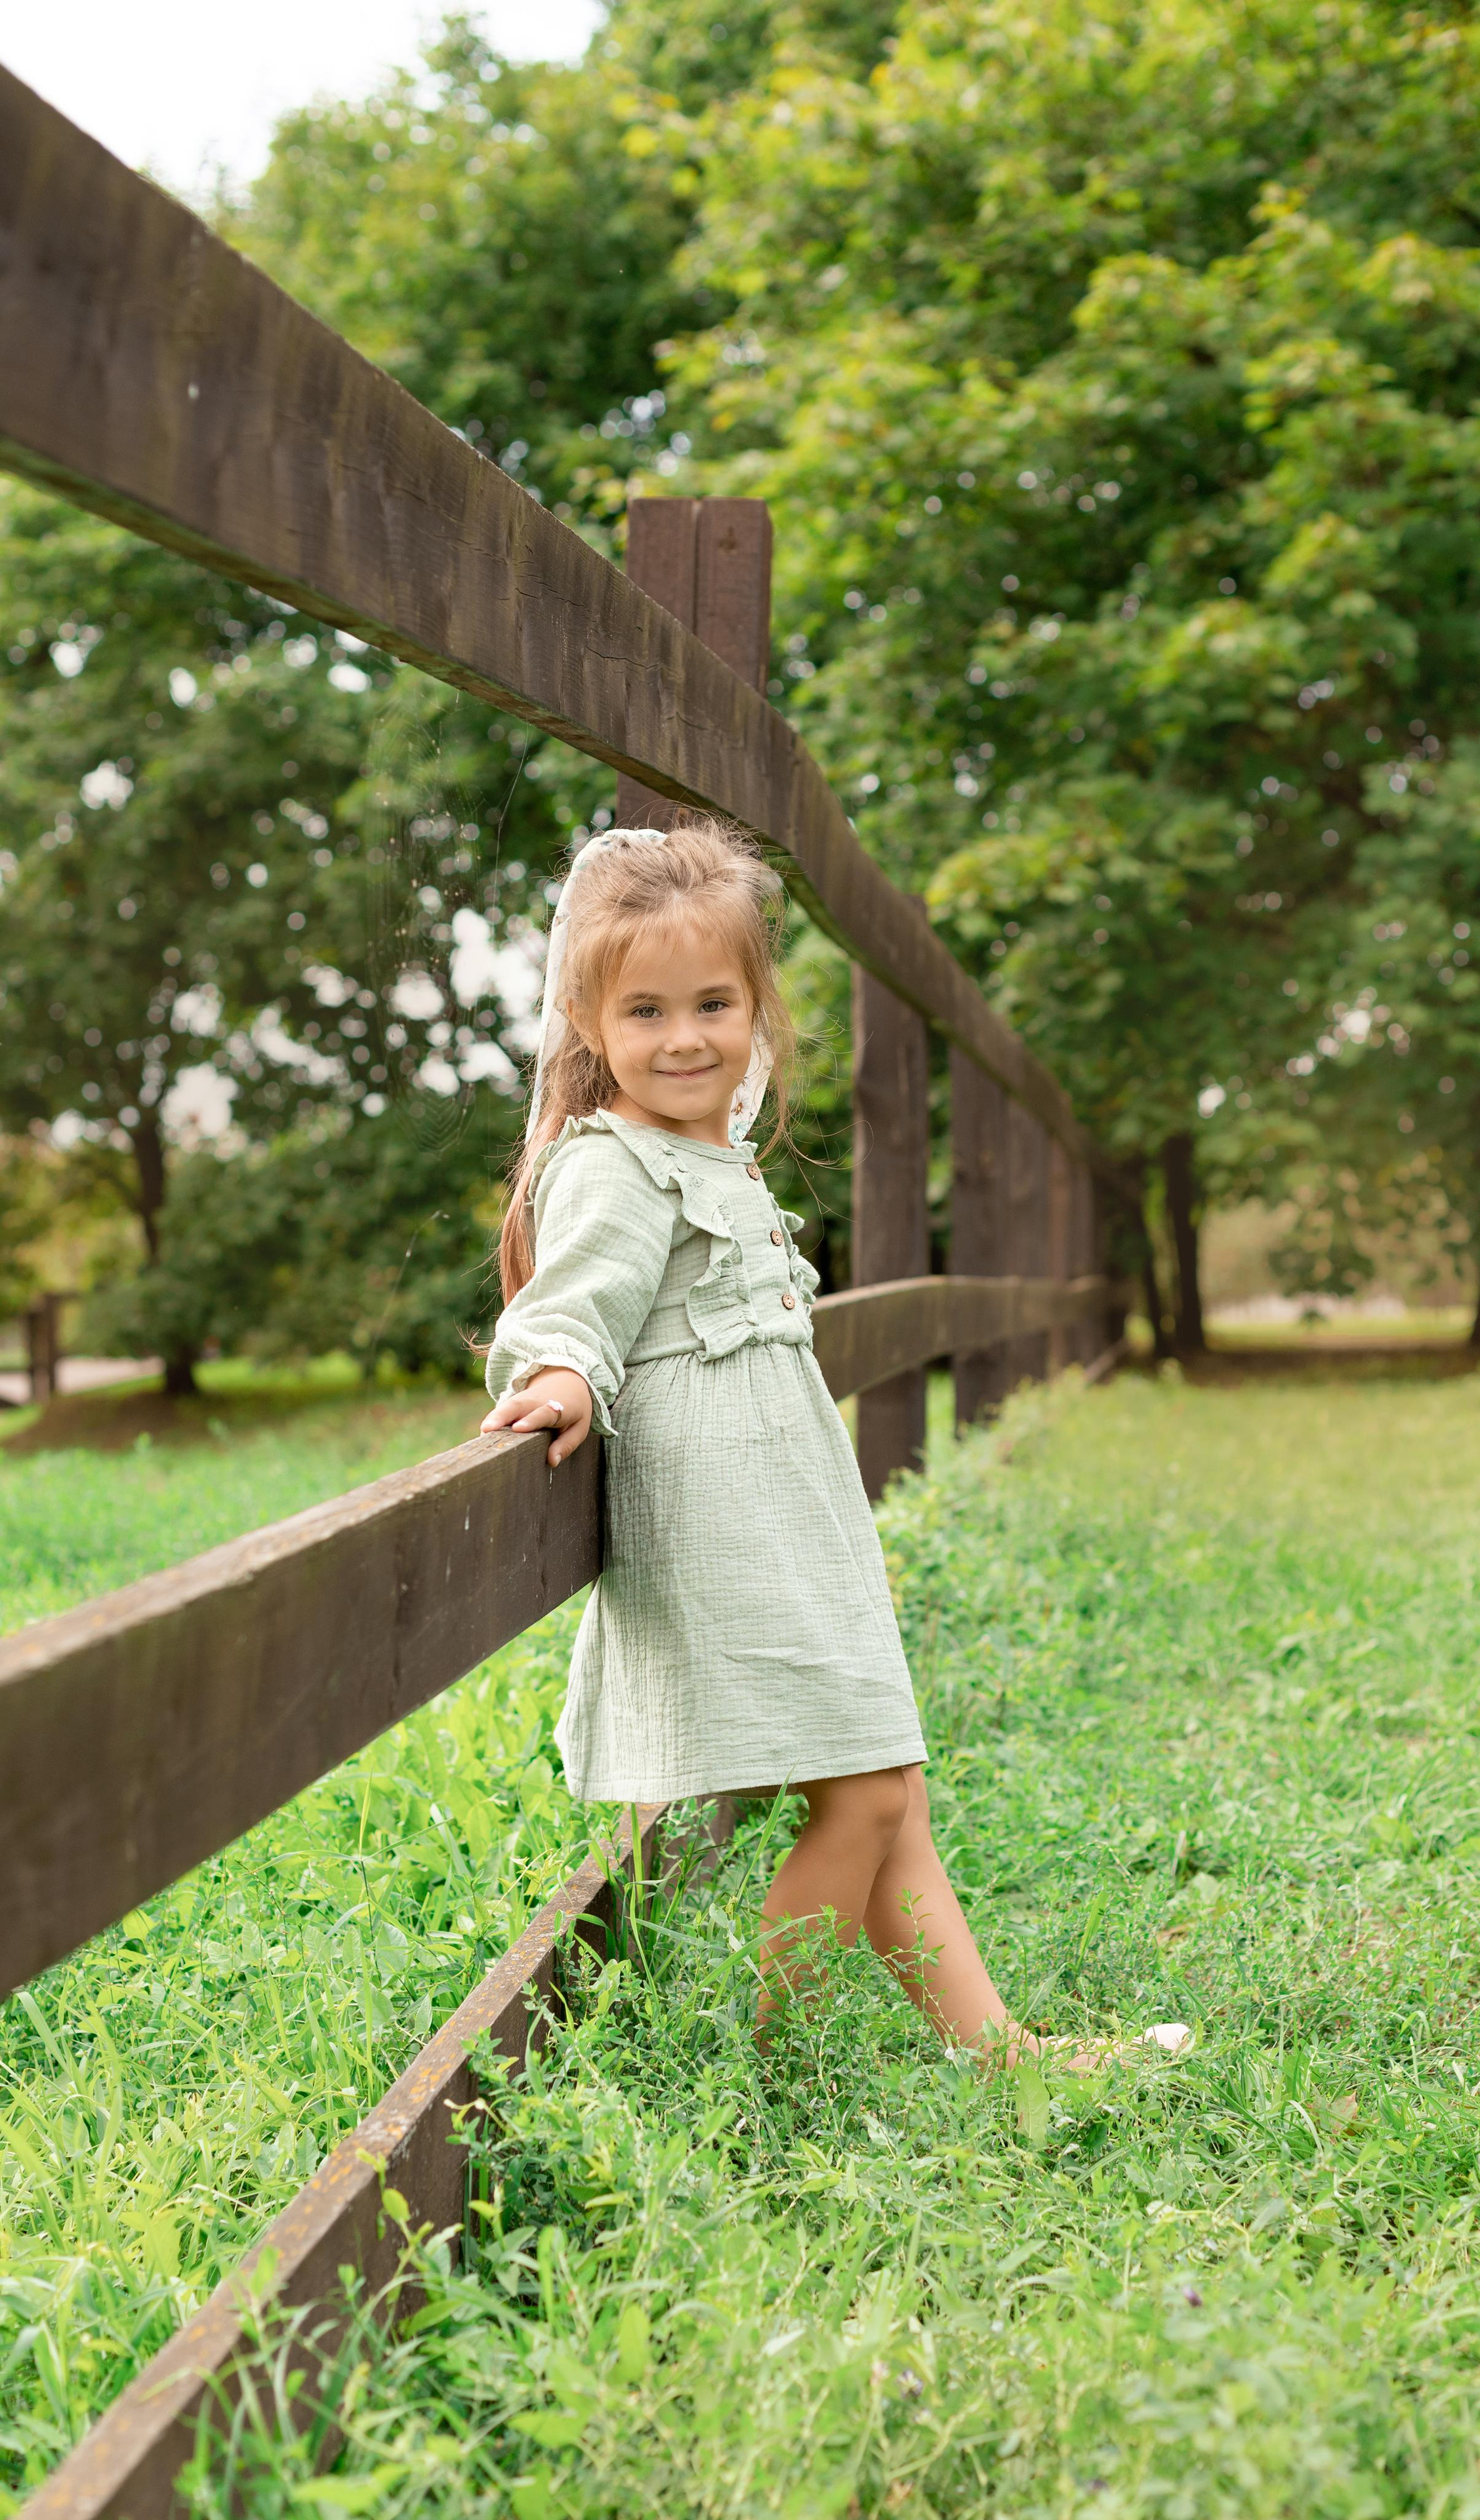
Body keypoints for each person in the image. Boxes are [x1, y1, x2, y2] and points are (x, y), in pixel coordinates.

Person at [481, 816, 1187, 2070]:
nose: (685, 1036)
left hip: (792, 1512)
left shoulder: (716, 1155)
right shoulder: (612, 1164)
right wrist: (560, 1376)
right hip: (719, 1530)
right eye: (645, 1013)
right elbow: (573, 1304)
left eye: (714, 1002)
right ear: (592, 1028)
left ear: (760, 1008)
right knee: (860, 1796)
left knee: (890, 1793)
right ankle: (780, 2067)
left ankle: (1000, 2054)